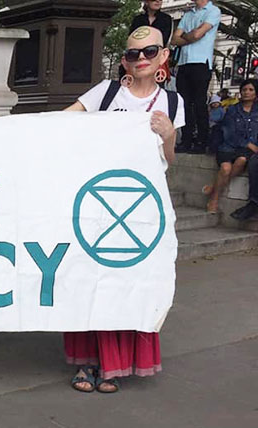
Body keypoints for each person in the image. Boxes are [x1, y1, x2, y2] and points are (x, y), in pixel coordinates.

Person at [63, 26, 184, 393]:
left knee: (127, 284)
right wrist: (3, 128)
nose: (142, 59)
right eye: (133, 54)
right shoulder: (107, 92)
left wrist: (168, 136)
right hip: (96, 205)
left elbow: (170, 161)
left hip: (141, 209)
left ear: (164, 56)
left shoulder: (173, 103)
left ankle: (114, 363)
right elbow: (60, 122)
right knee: (89, 280)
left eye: (149, 52)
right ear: (124, 60)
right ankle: (87, 362)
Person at [171, 0, 221, 154]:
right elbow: (174, 39)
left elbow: (198, 34)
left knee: (199, 103)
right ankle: (186, 140)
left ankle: (201, 140)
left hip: (201, 62)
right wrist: (191, 36)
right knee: (184, 103)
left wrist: (187, 36)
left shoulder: (213, 11)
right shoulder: (187, 14)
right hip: (184, 63)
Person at [203, 80, 258, 213]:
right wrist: (250, 145)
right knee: (226, 168)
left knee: (241, 161)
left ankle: (213, 190)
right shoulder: (232, 109)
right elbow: (230, 133)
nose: (246, 92)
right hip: (229, 146)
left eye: (250, 90)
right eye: (244, 90)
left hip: (244, 152)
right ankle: (214, 199)